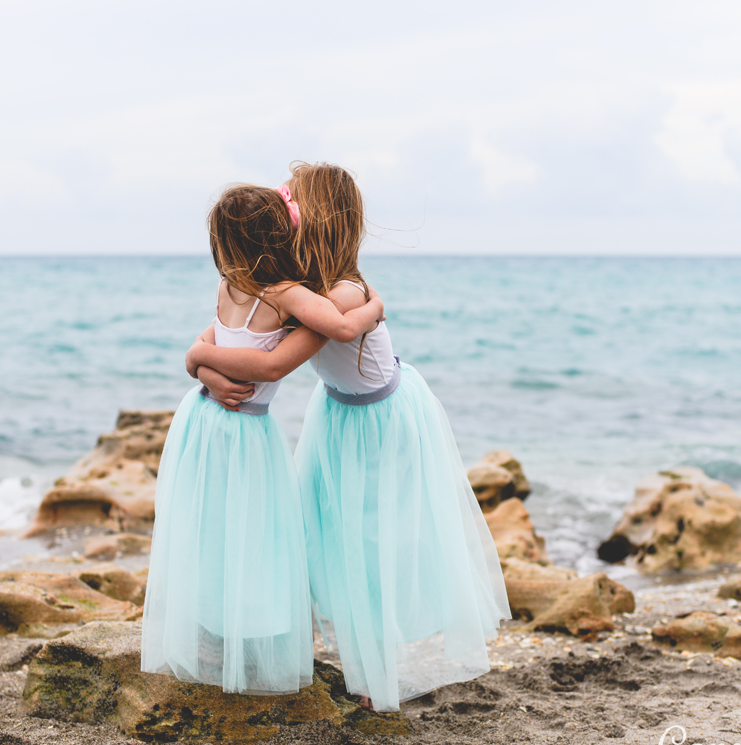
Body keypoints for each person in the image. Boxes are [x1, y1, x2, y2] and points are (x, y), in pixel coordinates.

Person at [186, 163, 510, 711]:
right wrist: (201, 363)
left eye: (292, 203)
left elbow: (285, 355)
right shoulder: (304, 289)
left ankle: (372, 677)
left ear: (314, 219)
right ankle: (351, 663)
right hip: (339, 414)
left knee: (371, 543)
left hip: (381, 421)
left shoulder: (335, 292)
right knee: (330, 538)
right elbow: (239, 341)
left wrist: (200, 359)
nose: (283, 213)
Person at [141, 182, 385, 695]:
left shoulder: (228, 286)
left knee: (213, 529)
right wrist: (375, 307)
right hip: (243, 429)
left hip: (202, 421)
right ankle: (240, 641)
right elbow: (327, 335)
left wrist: (198, 362)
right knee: (254, 535)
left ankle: (218, 637)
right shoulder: (285, 294)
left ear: (223, 245)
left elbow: (210, 340)